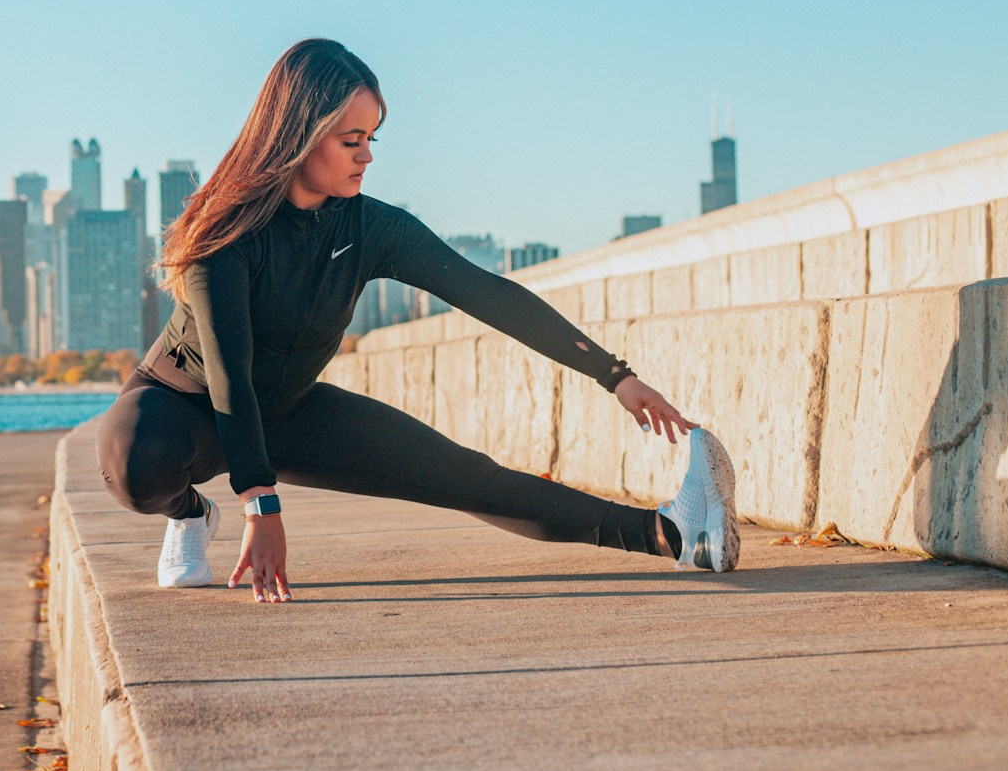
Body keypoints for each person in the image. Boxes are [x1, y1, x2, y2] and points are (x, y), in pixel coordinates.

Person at [96, 38, 740, 604]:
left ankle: (674, 534)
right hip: (183, 409)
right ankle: (189, 514)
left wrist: (615, 375)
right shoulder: (227, 232)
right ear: (298, 135)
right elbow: (230, 373)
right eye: (351, 141)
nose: (367, 157)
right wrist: (260, 506)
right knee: (133, 460)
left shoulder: (370, 226)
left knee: (469, 478)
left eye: (371, 139)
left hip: (288, 411)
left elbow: (488, 294)